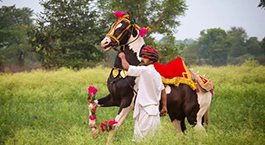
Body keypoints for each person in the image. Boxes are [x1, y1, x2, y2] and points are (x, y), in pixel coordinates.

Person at [118, 46, 167, 141]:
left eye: (145, 57)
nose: (142, 59)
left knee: (142, 139)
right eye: (142, 57)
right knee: (154, 139)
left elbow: (126, 67)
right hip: (153, 111)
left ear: (151, 59)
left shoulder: (145, 70)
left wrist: (122, 56)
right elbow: (163, 90)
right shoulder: (157, 74)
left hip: (146, 111)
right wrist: (164, 107)